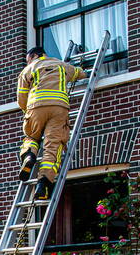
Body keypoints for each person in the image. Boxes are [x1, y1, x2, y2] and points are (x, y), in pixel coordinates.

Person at [16, 46, 87, 200]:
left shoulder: (28, 70)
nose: (27, 62)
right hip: (59, 109)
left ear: (35, 55)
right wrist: (83, 69)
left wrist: (28, 112)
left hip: (35, 108)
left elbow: (21, 98)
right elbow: (80, 73)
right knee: (53, 146)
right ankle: (43, 183)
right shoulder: (61, 65)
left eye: (28, 59)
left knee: (31, 137)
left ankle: (29, 156)